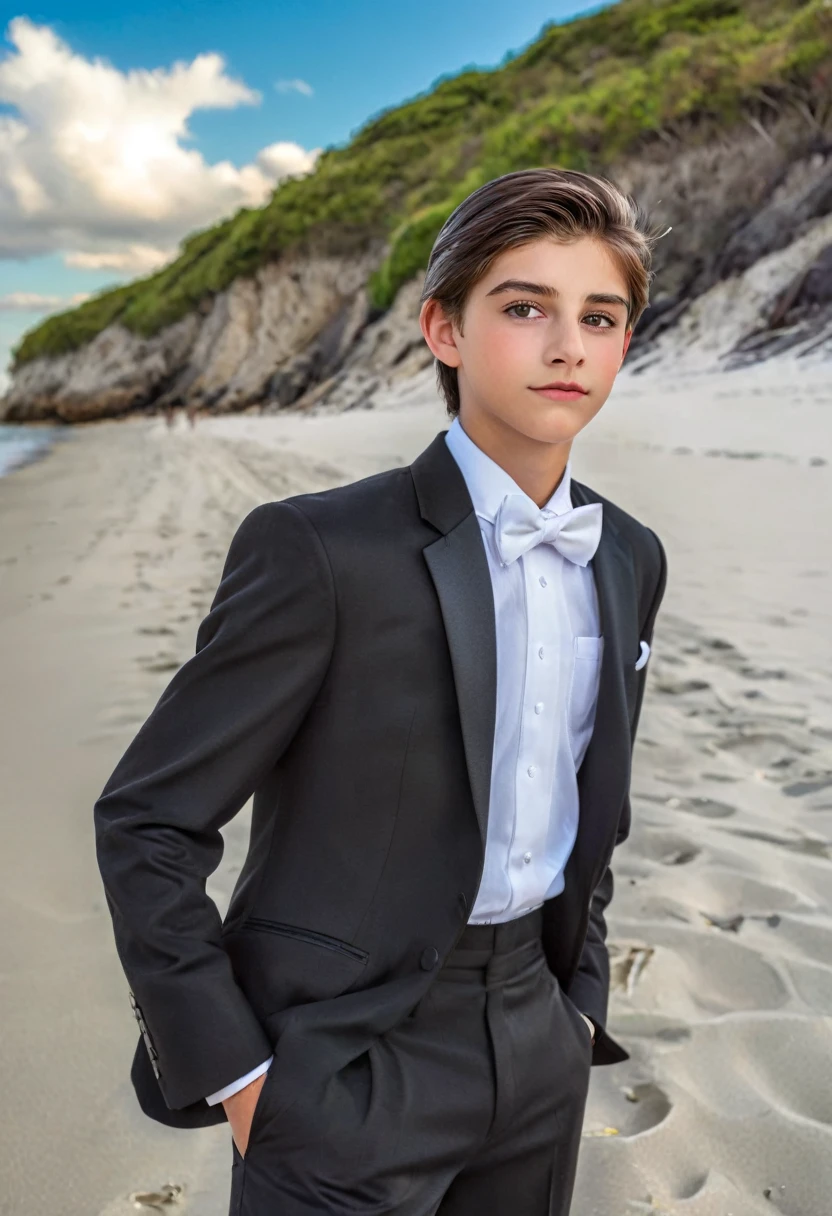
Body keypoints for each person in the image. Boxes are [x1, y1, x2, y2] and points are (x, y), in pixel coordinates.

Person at [94, 167, 669, 1216]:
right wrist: (236, 1072)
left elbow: (591, 803)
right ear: (442, 330)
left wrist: (576, 1005)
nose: (566, 345)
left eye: (601, 315)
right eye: (524, 307)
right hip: (341, 1065)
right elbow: (147, 817)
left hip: (536, 1044)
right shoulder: (319, 550)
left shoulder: (627, 555)